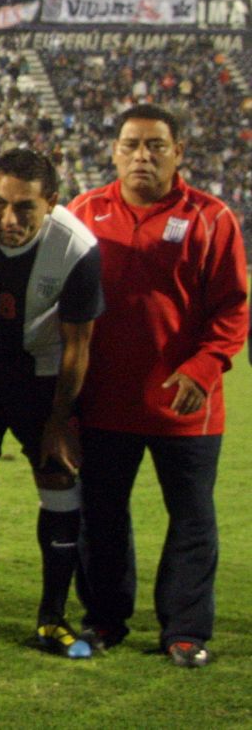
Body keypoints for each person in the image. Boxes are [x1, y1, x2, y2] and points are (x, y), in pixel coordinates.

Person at [68, 105, 247, 667]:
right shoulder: (83, 214)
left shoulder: (212, 218)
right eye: (131, 145)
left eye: (155, 146)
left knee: (191, 516)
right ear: (115, 151)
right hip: (103, 400)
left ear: (179, 153)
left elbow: (232, 310)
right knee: (100, 514)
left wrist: (204, 367)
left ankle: (185, 630)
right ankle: (103, 619)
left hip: (184, 403)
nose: (142, 156)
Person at [0, 149, 102, 657]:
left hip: (41, 374)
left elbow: (78, 346)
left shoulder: (76, 247)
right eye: (0, 203)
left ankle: (53, 618)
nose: (8, 219)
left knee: (58, 479)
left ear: (51, 202)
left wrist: (59, 420)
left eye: (25, 208)